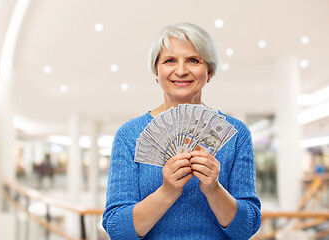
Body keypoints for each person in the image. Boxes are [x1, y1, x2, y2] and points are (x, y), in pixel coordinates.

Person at [102, 23, 261, 240]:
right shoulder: (129, 135)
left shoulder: (236, 135)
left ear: (210, 72)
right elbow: (117, 230)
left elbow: (247, 227)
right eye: (169, 60)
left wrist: (214, 189)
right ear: (156, 72)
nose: (181, 70)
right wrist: (167, 191)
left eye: (193, 60)